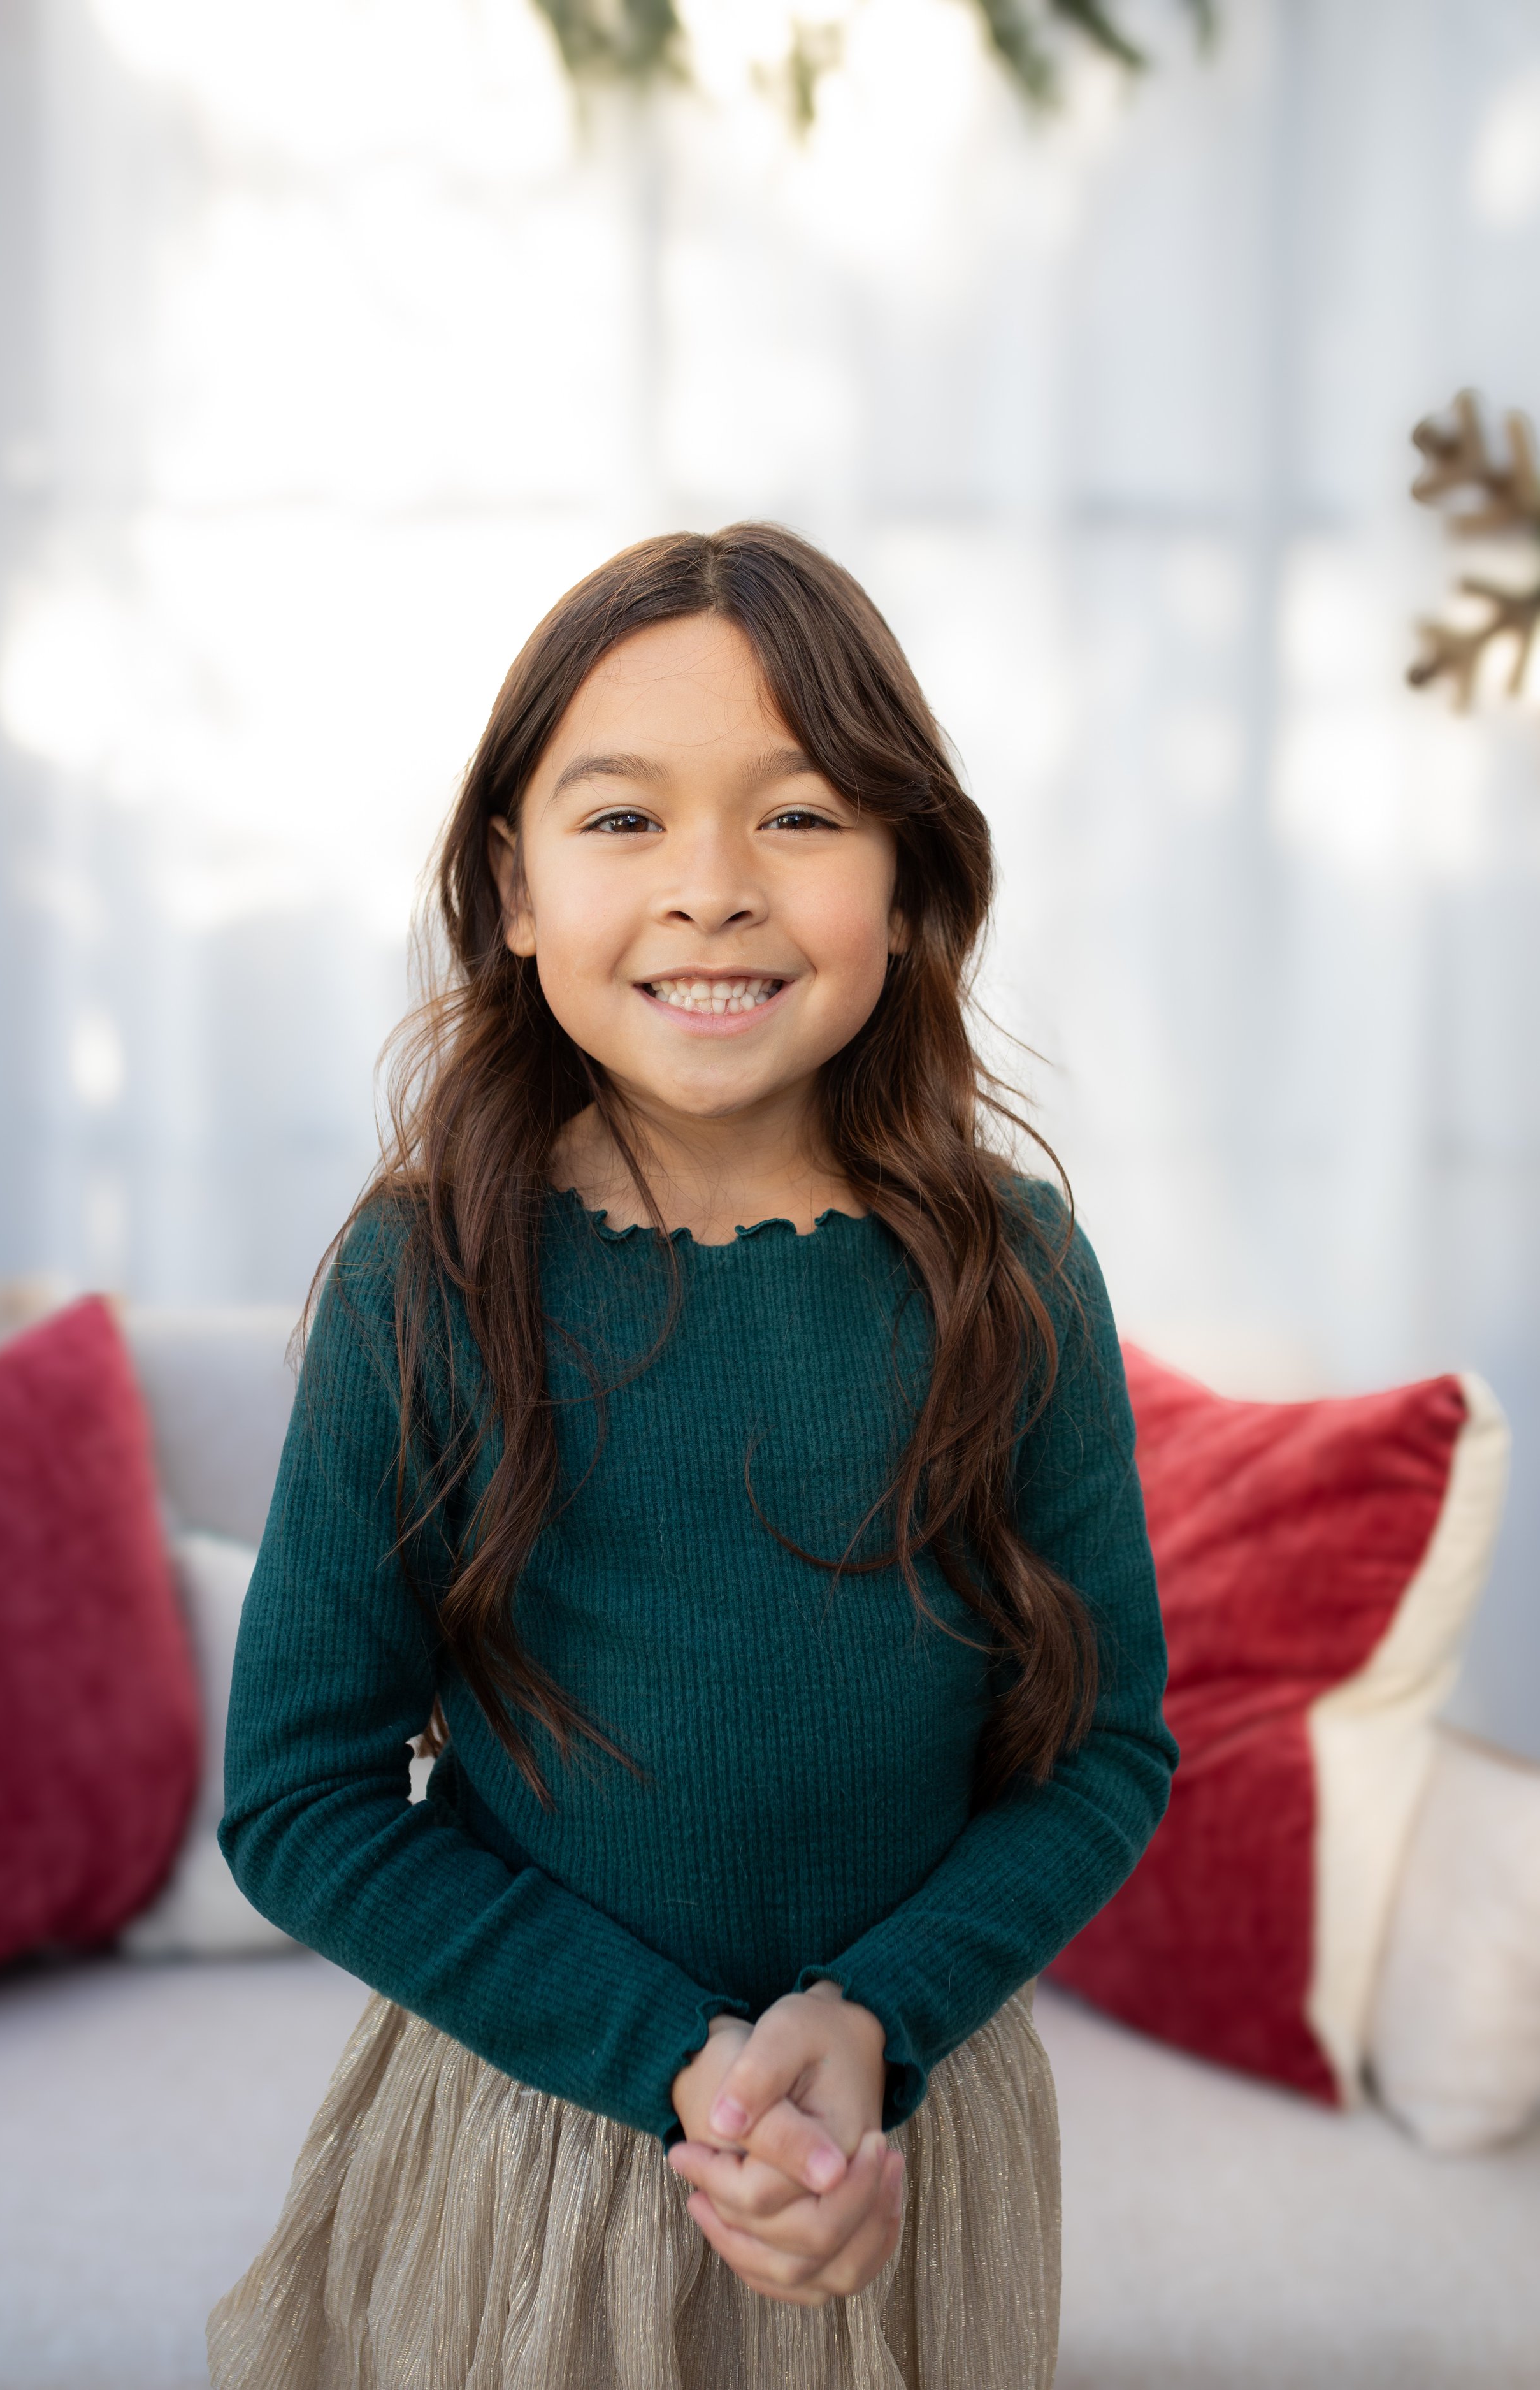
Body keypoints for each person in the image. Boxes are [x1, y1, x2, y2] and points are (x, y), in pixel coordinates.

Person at [207, 523, 1176, 2390]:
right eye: (624, 819)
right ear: (513, 885)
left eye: (800, 817)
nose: (712, 890)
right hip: (529, 2146)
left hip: (899, 2141)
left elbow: (1106, 1752)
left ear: (909, 884)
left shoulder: (1015, 1272)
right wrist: (675, 2060)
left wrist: (878, 2020)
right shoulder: (425, 1280)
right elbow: (300, 1798)